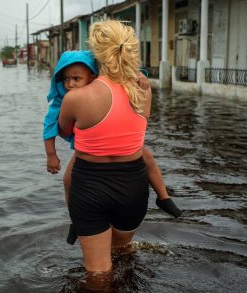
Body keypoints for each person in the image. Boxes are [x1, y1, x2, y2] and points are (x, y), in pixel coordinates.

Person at [58, 20, 180, 274]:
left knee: (98, 271)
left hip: (89, 185)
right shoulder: (142, 90)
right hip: (133, 186)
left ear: (96, 53)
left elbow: (64, 131)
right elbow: (139, 127)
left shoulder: (76, 97)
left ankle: (76, 224)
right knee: (123, 253)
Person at [44, 50, 181, 244]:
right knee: (67, 180)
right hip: (89, 149)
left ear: (91, 77)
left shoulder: (104, 90)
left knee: (148, 158)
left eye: (76, 78)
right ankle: (75, 220)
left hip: (120, 147)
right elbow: (50, 127)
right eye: (66, 80)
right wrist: (51, 154)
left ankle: (164, 197)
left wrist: (140, 75)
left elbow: (125, 72)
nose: (70, 84)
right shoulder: (63, 101)